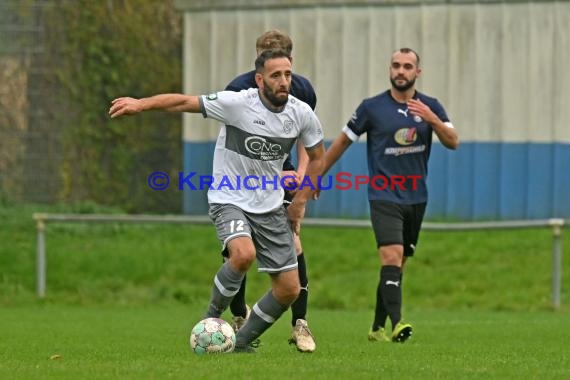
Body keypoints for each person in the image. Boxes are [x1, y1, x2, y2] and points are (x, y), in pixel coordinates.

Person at [109, 49, 325, 352]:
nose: (284, 81)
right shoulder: (237, 104)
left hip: (270, 204)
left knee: (289, 289)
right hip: (229, 196)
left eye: (288, 74)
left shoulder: (301, 113)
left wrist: (300, 201)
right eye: (276, 75)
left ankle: (240, 342)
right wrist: (141, 104)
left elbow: (318, 157)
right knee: (242, 255)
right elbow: (186, 101)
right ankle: (210, 318)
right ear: (260, 79)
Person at [322, 48, 459, 343]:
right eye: (396, 65)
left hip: (417, 198)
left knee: (397, 264)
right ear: (389, 69)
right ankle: (398, 324)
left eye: (407, 66)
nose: (401, 71)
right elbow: (341, 143)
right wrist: (315, 176)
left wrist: (432, 119)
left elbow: (453, 142)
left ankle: (376, 328)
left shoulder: (430, 106)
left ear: (417, 72)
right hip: (383, 195)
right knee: (391, 255)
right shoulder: (371, 108)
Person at [224, 29, 317, 353]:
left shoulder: (302, 89)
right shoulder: (238, 88)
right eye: (266, 56)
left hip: (283, 172)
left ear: (290, 60)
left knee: (293, 239)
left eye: (281, 59)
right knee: (240, 250)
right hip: (242, 176)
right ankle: (239, 315)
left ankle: (300, 324)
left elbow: (310, 137)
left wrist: (303, 178)